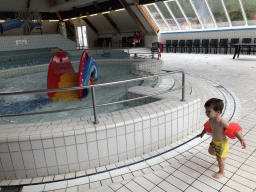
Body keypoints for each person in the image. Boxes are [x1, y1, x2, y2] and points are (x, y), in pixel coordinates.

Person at [197, 98, 246, 179]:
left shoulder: (222, 122)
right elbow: (207, 127)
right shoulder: (211, 120)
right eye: (206, 110)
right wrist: (201, 134)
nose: (206, 113)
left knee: (219, 159)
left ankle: (221, 172)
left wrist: (241, 139)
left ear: (218, 112)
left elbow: (233, 130)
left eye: (209, 111)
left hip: (222, 144)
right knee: (211, 152)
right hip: (214, 141)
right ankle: (223, 156)